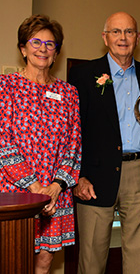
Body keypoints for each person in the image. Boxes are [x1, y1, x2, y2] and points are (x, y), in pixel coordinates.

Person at [68, 12, 140, 274]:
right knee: (92, 259)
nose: (123, 37)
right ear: (105, 38)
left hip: (139, 174)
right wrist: (79, 176)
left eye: (129, 32)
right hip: (94, 177)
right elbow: (73, 131)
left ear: (137, 38)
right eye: (116, 32)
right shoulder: (82, 76)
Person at [0, 14, 81, 274]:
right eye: (35, 42)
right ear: (23, 48)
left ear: (57, 52)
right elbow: (3, 143)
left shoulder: (69, 93)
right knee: (13, 261)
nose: (42, 49)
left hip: (55, 193)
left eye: (50, 44)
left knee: (44, 263)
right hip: (16, 193)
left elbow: (74, 144)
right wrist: (35, 190)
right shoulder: (6, 86)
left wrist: (55, 187)